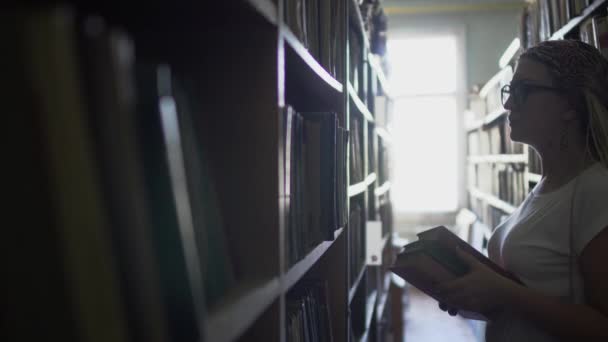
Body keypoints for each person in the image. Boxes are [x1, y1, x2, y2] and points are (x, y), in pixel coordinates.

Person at [435, 39, 608, 341]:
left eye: (524, 90)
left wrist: (503, 291)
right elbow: (530, 295)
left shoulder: (597, 191)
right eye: (510, 91)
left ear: (569, 104)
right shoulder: (544, 187)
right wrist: (477, 295)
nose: (509, 104)